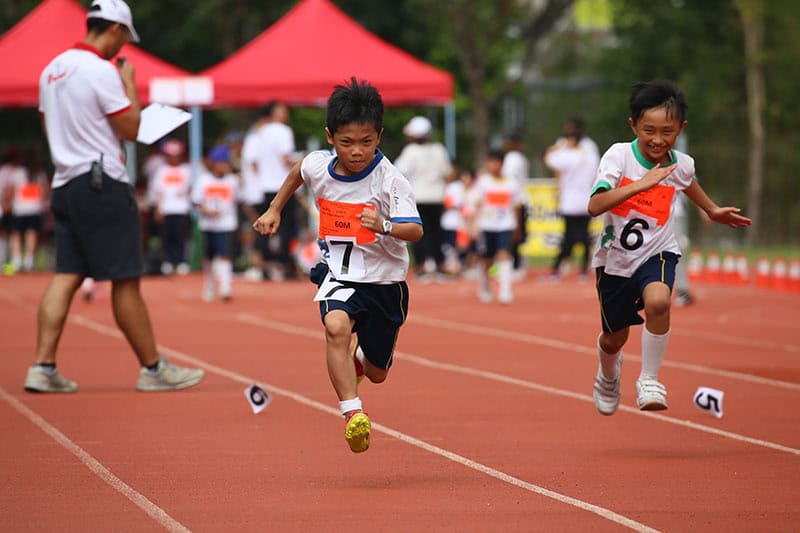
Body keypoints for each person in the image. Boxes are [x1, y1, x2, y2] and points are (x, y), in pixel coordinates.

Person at [26, 0, 204, 393]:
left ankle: (43, 365)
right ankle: (153, 368)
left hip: (65, 182)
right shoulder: (101, 71)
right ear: (116, 30)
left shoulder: (51, 69)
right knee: (125, 278)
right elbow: (129, 127)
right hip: (102, 181)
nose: (122, 48)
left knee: (67, 274)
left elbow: (47, 126)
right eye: (124, 37)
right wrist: (127, 84)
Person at [253, 78, 423, 453]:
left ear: (379, 136)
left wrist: (385, 225)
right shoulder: (320, 166)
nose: (357, 152)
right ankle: (353, 414)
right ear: (330, 136)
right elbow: (300, 170)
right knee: (335, 327)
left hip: (384, 284)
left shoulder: (390, 180)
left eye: (366, 142)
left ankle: (359, 365)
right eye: (347, 143)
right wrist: (274, 209)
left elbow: (415, 230)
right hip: (340, 274)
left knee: (377, 373)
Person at [588, 80, 750, 415]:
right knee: (613, 339)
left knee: (659, 302)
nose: (659, 140)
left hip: (657, 251)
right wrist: (641, 185)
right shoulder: (618, 156)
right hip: (615, 261)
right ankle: (608, 373)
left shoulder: (681, 163)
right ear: (633, 125)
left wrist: (711, 209)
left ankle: (649, 379)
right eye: (649, 130)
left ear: (681, 129)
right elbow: (595, 204)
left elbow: (686, 181)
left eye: (668, 131)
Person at [394, 116, 451, 279]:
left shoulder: (410, 151)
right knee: (436, 232)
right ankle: (439, 265)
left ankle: (421, 267)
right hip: (436, 197)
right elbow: (447, 173)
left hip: (417, 197)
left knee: (419, 233)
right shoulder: (439, 149)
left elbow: (399, 171)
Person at [542, 118, 599, 282]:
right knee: (584, 236)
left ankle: (557, 270)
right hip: (586, 199)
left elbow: (547, 158)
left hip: (570, 201)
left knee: (569, 237)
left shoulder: (567, 154)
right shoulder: (590, 152)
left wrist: (560, 148)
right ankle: (583, 270)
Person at [467, 149, 524, 304]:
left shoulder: (511, 182)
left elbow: (517, 206)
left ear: (502, 164)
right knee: (486, 259)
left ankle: (505, 290)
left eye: (497, 162)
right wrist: (473, 225)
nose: (494, 166)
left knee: (504, 254)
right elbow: (476, 205)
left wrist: (517, 227)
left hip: (505, 224)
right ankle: (485, 286)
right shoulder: (483, 182)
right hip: (486, 225)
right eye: (491, 162)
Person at [253, 102, 300, 281]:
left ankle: (264, 263)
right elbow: (286, 159)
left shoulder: (260, 132)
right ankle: (285, 263)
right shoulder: (284, 131)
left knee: (264, 225)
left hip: (265, 186)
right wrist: (302, 160)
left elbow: (255, 162)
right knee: (287, 226)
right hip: (283, 186)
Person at [193, 144, 240, 302]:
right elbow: (196, 201)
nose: (223, 166)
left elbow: (240, 199)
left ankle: (226, 287)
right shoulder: (203, 180)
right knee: (209, 256)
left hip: (226, 224)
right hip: (208, 224)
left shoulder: (232, 181)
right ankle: (210, 285)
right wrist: (206, 211)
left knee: (225, 254)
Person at [150, 139, 192, 275]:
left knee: (180, 236)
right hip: (166, 209)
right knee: (166, 237)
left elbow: (191, 189)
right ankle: (168, 261)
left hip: (181, 209)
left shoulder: (187, 170)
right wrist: (158, 209)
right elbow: (157, 191)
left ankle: (181, 261)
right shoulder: (161, 171)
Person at [6, 149, 50, 272]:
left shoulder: (17, 173)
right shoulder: (39, 174)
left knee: (16, 234)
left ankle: (16, 260)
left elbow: (10, 192)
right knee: (31, 233)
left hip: (19, 209)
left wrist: (8, 202)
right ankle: (29, 260)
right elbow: (45, 192)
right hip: (34, 209)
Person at [501, 132, 531, 279]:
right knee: (516, 233)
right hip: (520, 198)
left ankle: (515, 263)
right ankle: (517, 262)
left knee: (513, 233)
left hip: (514, 200)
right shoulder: (520, 158)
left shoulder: (512, 159)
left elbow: (509, 180)